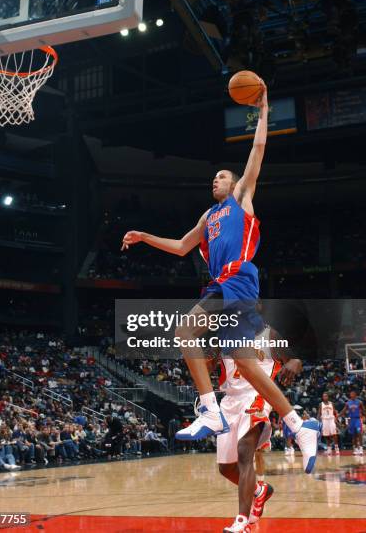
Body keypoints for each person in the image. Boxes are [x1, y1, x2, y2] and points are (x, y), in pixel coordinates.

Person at [121, 83, 319, 474]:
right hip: (228, 287)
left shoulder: (241, 198)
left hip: (236, 280)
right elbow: (180, 246)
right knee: (244, 363)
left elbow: (257, 150)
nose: (216, 180)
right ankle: (299, 425)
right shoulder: (207, 218)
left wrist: (263, 110)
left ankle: (210, 410)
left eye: (221, 176)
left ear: (233, 183)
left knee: (184, 332)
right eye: (214, 178)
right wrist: (145, 237)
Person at [215, 323, 302, 532]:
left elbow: (294, 359)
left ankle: (242, 521)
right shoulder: (225, 334)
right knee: (225, 468)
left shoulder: (269, 333)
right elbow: (211, 365)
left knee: (245, 453)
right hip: (229, 401)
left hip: (257, 396)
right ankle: (259, 490)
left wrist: (293, 364)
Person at [339, 390, 364, 455]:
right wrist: (337, 416)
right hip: (351, 420)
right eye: (351, 394)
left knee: (359, 433)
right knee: (354, 435)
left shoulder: (359, 402)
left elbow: (363, 410)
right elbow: (343, 411)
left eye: (353, 394)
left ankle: (361, 448)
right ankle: (355, 449)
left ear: (355, 395)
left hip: (358, 419)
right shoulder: (348, 403)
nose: (352, 395)